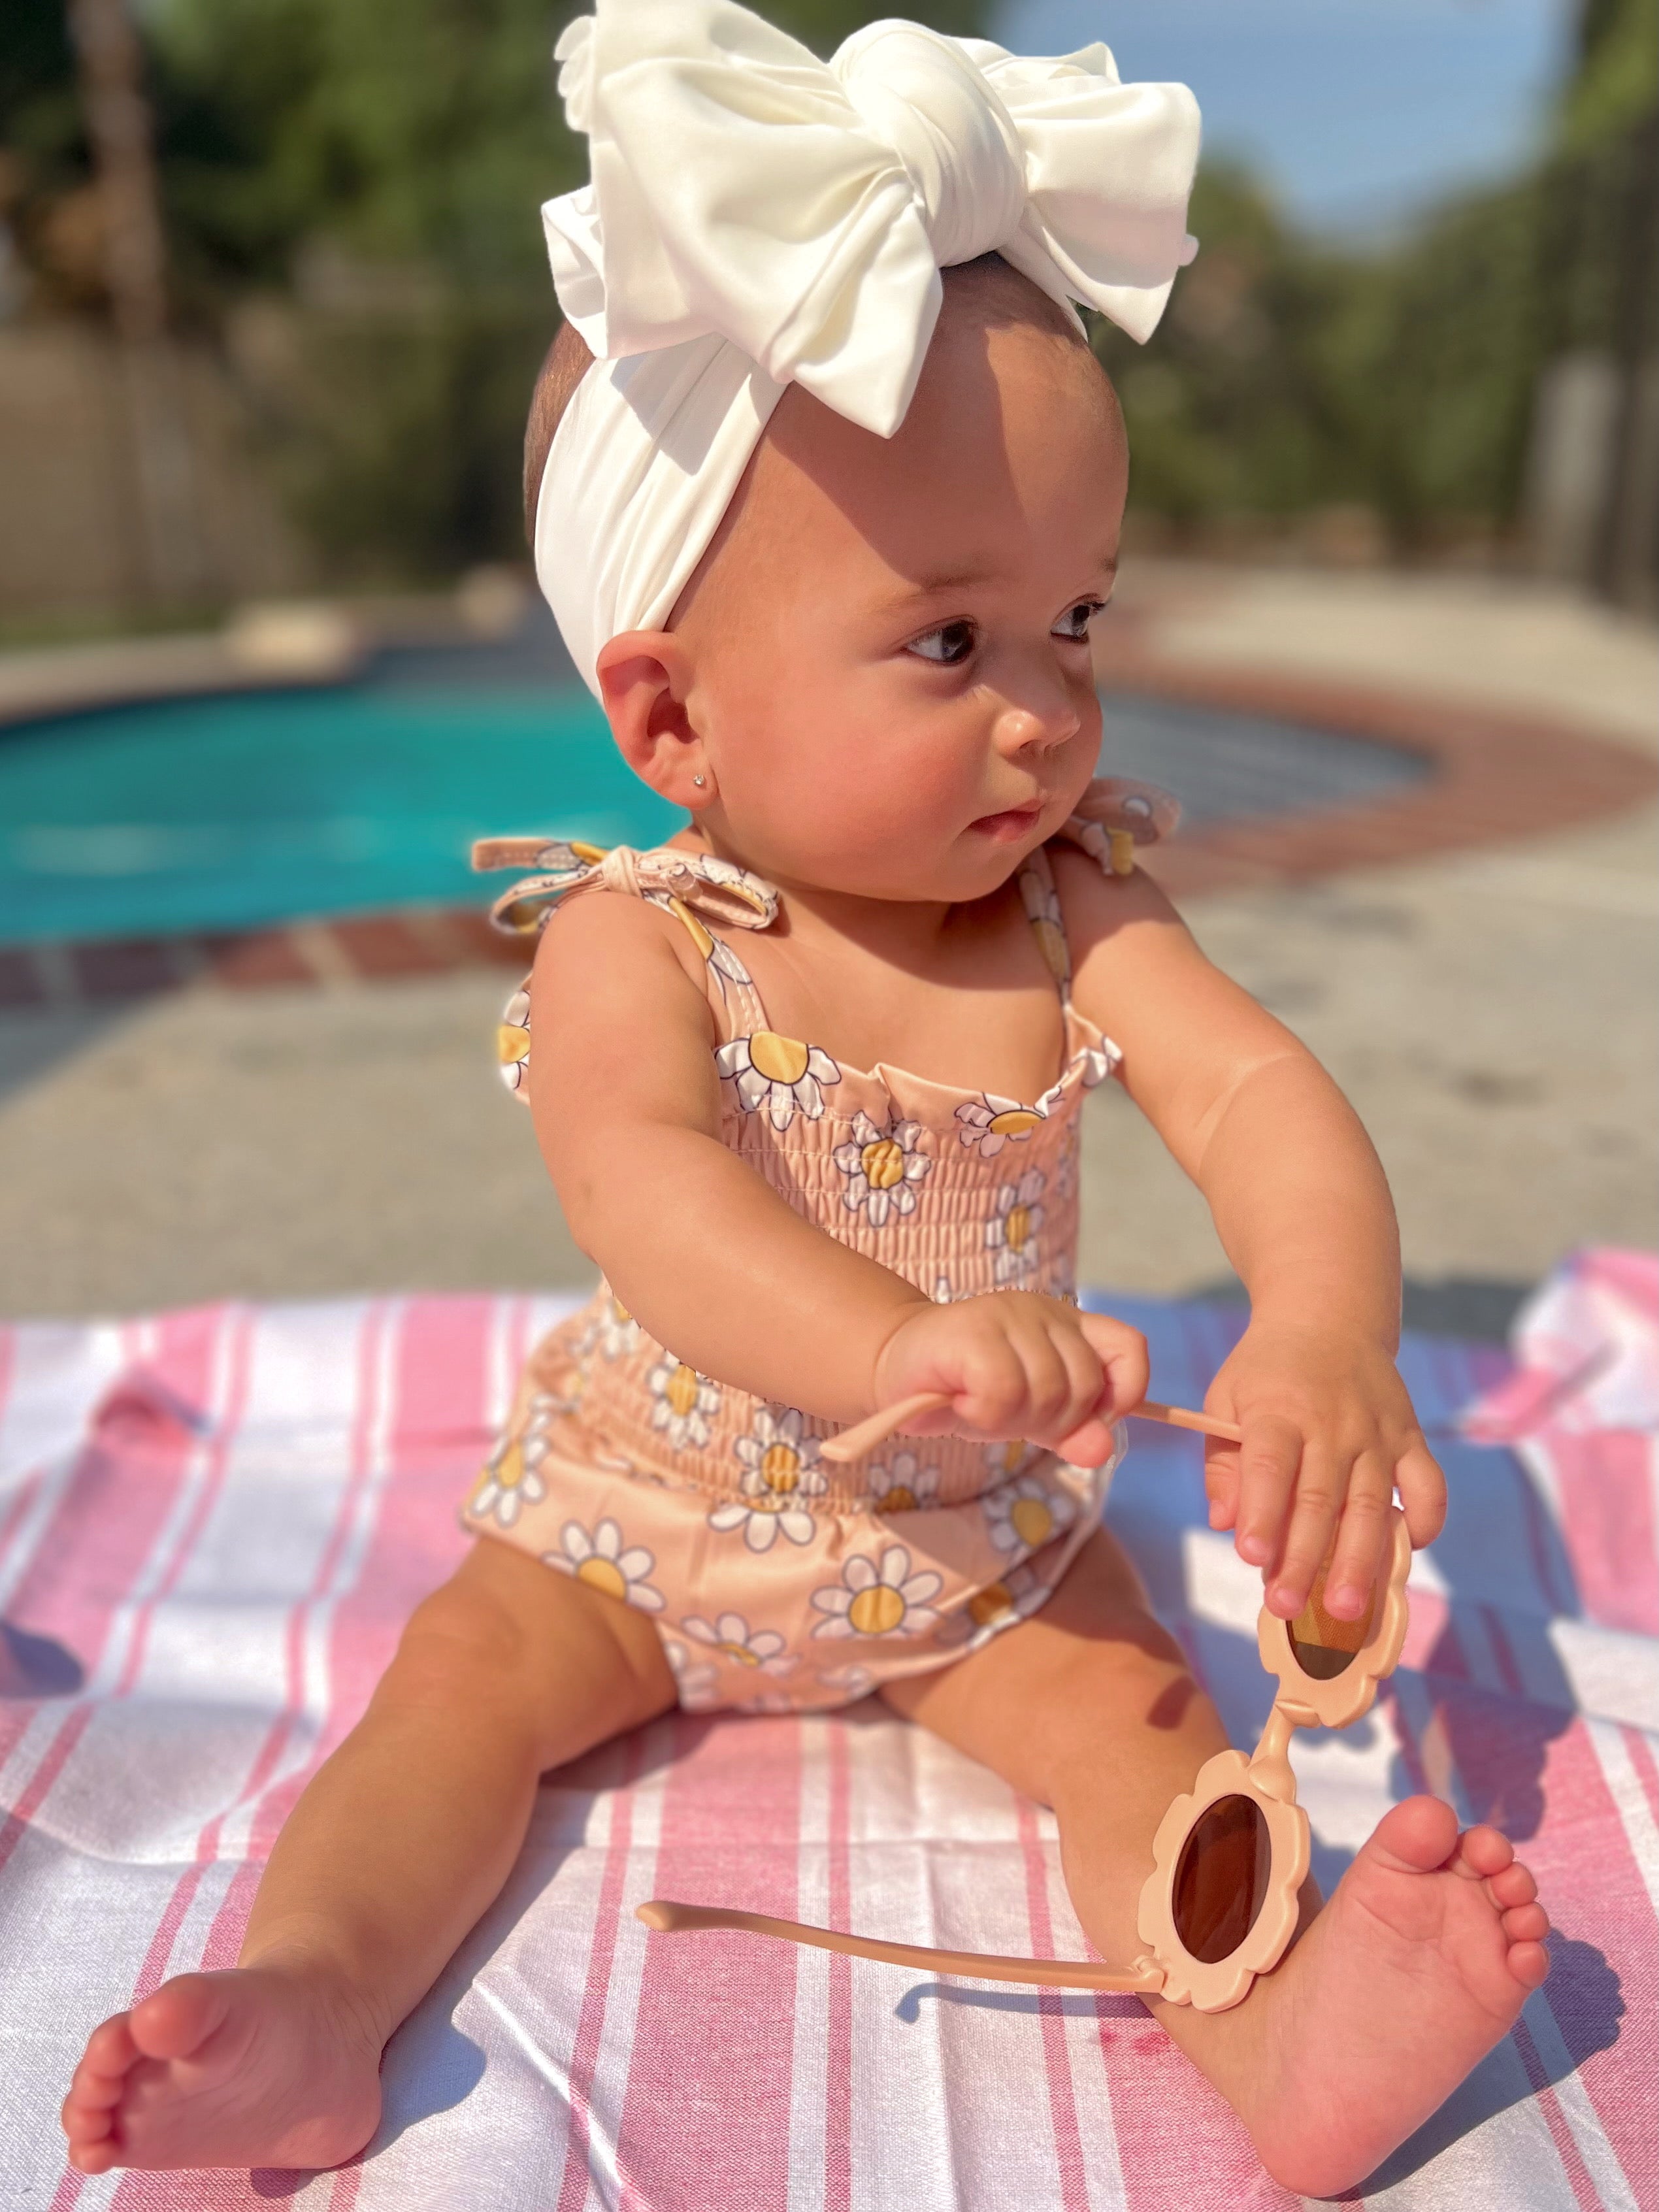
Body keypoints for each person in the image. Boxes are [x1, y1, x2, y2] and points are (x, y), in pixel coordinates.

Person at [60, 5, 1548, 2194]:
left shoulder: (1068, 907)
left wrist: (1322, 1325)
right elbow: (644, 1187)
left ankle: (1276, 2028)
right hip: (638, 1524)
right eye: (950, 643)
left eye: (1072, 618)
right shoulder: (638, 939)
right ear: (671, 717)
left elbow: (1253, 1094)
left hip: (970, 1548)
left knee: (1145, 1724)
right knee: (453, 1701)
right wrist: (897, 1340)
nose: (1043, 710)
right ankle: (317, 1996)